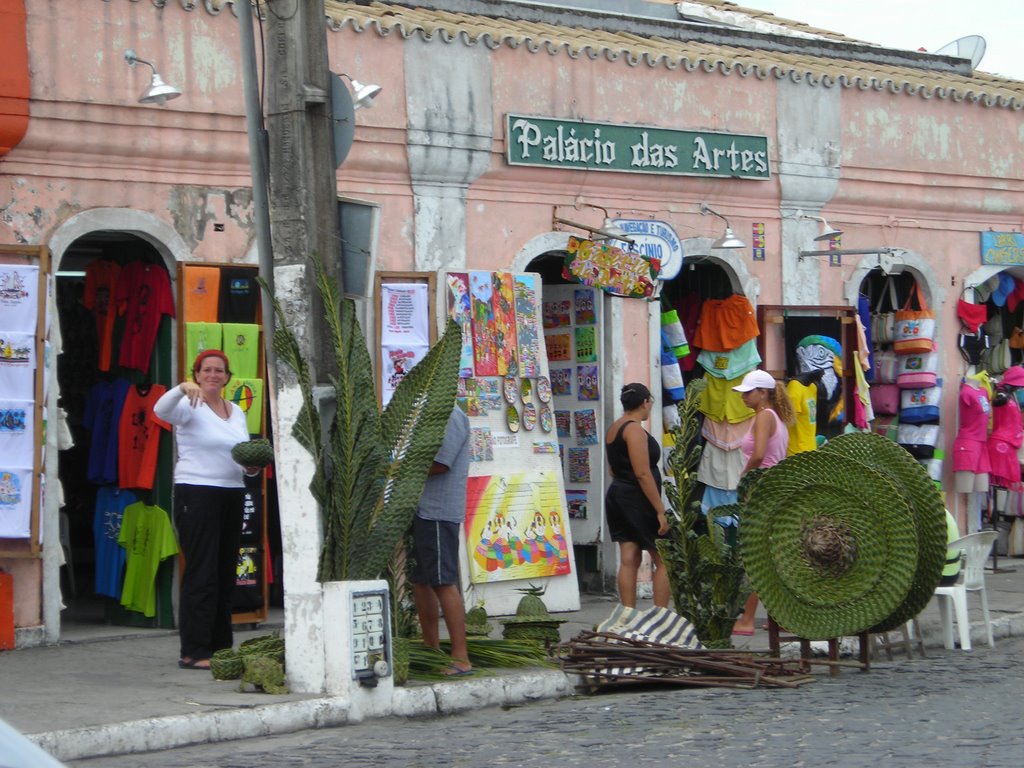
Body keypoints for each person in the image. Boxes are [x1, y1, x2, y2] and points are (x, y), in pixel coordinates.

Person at [154, 350, 255, 670]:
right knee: (202, 571)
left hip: (233, 492)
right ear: (197, 375)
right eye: (206, 370)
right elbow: (160, 409)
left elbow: (240, 455)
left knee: (226, 572)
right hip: (196, 493)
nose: (213, 375)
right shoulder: (188, 405)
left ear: (227, 377)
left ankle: (221, 647)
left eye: (219, 370)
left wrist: (251, 469)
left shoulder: (236, 411)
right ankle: (194, 651)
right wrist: (181, 388)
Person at [730, 369, 795, 636]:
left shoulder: (763, 417)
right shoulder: (775, 418)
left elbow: (757, 456)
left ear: (763, 393)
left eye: (748, 392)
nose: (744, 397)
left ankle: (746, 621)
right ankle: (777, 617)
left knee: (755, 558)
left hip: (761, 486)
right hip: (774, 486)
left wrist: (744, 479)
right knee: (771, 556)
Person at [411, 406, 473, 676]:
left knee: (442, 581)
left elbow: (440, 463)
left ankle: (461, 658)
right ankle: (431, 649)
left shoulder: (450, 414)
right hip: (423, 509)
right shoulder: (432, 413)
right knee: (422, 581)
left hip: (437, 510)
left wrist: (400, 467)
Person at [604, 383, 670, 608]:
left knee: (629, 557)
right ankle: (660, 615)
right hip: (636, 498)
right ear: (645, 402)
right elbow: (642, 473)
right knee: (664, 559)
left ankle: (627, 615)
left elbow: (613, 469)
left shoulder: (614, 428)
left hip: (618, 495)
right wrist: (659, 509)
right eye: (650, 401)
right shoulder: (634, 429)